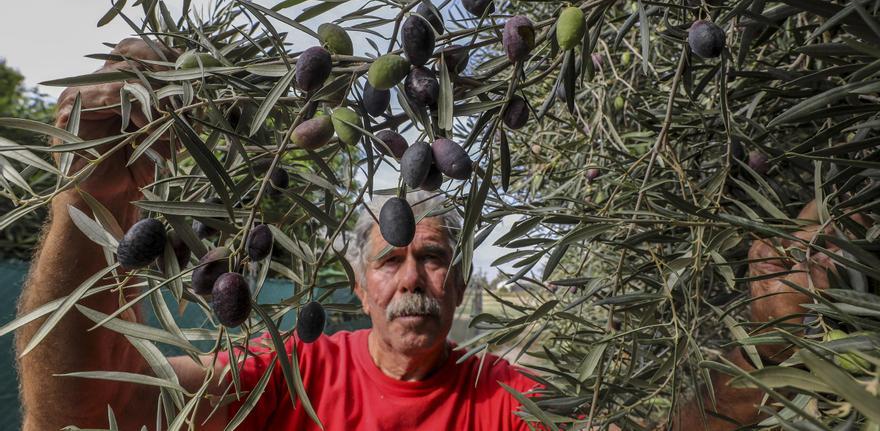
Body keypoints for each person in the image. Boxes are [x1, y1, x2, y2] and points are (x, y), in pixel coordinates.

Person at [14, 39, 840, 430]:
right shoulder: (290, 376)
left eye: (435, 256)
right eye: (393, 256)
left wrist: (765, 341)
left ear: (463, 281)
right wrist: (88, 204)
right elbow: (85, 410)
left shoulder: (500, 397)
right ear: (357, 278)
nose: (413, 275)